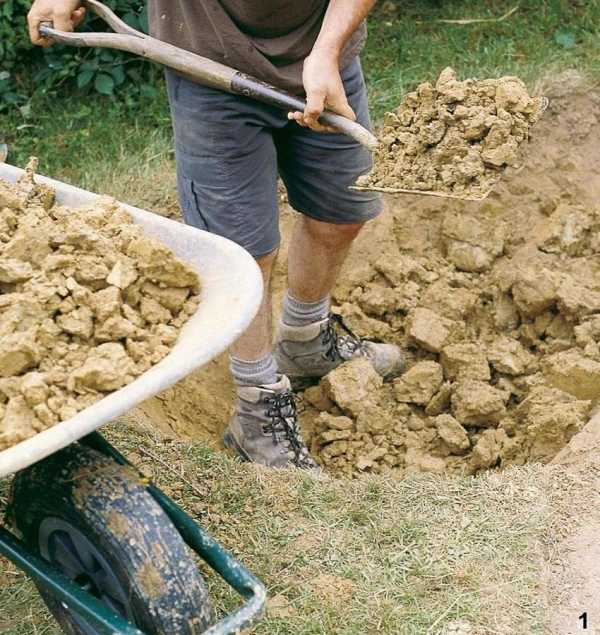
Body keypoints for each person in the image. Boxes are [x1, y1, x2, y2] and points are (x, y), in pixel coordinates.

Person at [28, 0, 405, 470]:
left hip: (323, 56)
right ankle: (256, 401)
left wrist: (328, 50)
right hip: (208, 64)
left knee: (342, 212)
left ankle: (305, 338)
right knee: (243, 251)